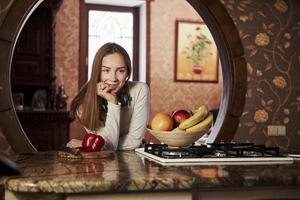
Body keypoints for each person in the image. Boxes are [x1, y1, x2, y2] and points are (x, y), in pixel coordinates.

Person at [67, 42, 150, 150]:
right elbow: (109, 145)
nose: (113, 78)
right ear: (97, 72)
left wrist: (90, 144)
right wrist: (112, 102)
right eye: (106, 70)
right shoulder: (84, 104)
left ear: (127, 72)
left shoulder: (140, 90)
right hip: (102, 163)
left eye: (120, 71)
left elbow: (132, 142)